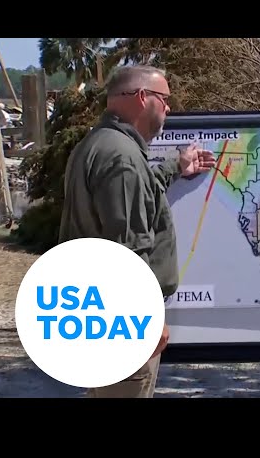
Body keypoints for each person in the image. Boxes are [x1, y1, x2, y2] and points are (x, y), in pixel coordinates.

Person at [58, 65, 216, 398]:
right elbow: (126, 249)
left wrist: (177, 167)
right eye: (165, 98)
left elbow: (137, 195)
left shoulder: (100, 145)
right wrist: (144, 320)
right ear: (143, 98)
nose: (169, 107)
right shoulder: (122, 157)